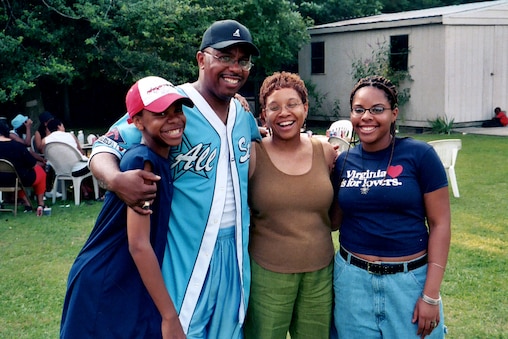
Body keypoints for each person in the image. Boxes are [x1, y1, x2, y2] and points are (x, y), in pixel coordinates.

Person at [88, 20, 261, 338]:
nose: (234, 67)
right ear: (201, 59)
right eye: (224, 57)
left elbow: (258, 147)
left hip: (235, 252)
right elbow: (104, 146)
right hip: (186, 250)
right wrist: (115, 180)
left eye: (243, 60)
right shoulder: (172, 105)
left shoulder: (243, 116)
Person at [60, 76, 193, 338]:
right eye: (161, 113)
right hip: (106, 279)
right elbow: (139, 244)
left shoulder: (159, 159)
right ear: (136, 122)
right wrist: (169, 317)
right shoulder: (141, 162)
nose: (174, 119)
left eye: (177, 110)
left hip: (127, 278)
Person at [332, 75, 451, 338]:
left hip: (409, 283)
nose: (366, 117)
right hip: (352, 282)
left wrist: (430, 296)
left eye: (377, 110)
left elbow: (440, 224)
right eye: (359, 110)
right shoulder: (343, 162)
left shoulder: (420, 156)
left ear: (394, 113)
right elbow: (333, 221)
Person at [245, 72, 337, 338]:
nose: (284, 113)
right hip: (267, 274)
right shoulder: (253, 154)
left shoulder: (326, 151)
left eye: (292, 104)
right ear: (264, 115)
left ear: (305, 108)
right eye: (275, 107)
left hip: (320, 273)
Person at [0, 118, 46, 216]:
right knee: (39, 171)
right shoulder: (17, 146)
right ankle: (40, 203)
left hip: (1, 179)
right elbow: (32, 163)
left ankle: (27, 203)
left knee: (17, 175)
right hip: (17, 179)